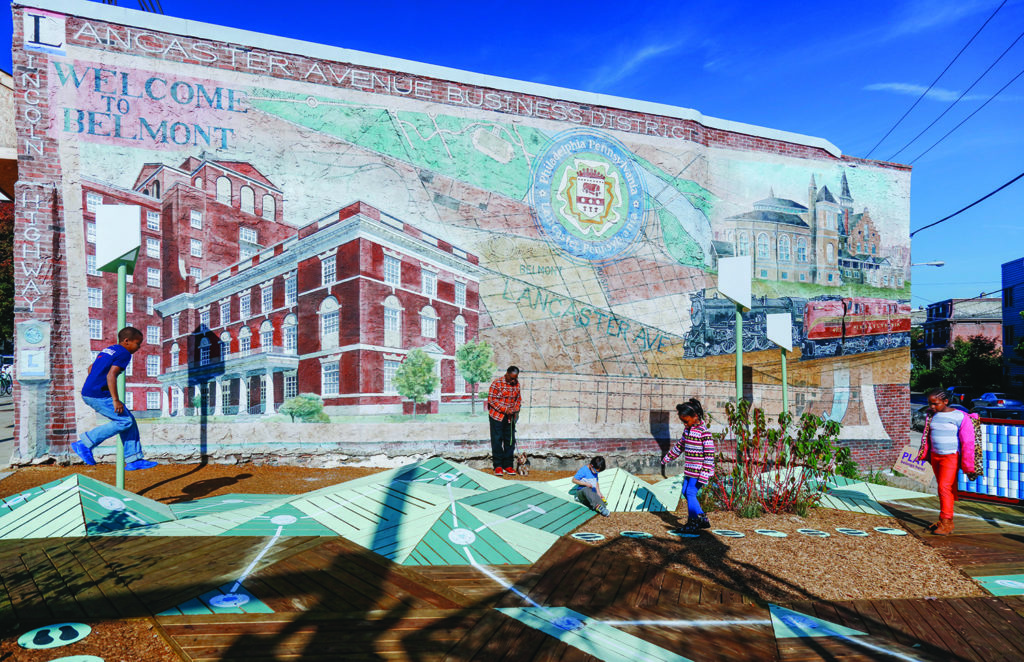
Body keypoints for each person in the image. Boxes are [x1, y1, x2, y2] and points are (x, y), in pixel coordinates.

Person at [72, 327, 157, 471]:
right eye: (138, 343)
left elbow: (91, 368)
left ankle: (134, 459)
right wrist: (115, 400)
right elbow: (111, 375)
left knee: (129, 420)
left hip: (90, 392)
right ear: (127, 341)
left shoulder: (109, 350)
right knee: (124, 421)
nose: (139, 347)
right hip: (99, 395)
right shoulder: (124, 353)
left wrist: (93, 382)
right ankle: (85, 443)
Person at [915, 387, 979, 535]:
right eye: (930, 403)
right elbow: (927, 436)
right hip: (935, 456)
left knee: (945, 487)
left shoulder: (959, 416)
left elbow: (968, 441)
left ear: (945, 401)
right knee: (942, 488)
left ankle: (946, 521)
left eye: (935, 403)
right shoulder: (931, 415)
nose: (932, 406)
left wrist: (969, 464)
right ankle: (945, 520)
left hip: (950, 456)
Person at [661, 398, 715, 534]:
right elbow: (680, 446)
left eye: (686, 421)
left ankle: (692, 522)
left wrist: (704, 474)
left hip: (699, 471)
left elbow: (709, 455)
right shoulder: (687, 431)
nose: (684, 424)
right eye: (682, 422)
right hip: (690, 470)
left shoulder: (704, 433)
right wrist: (667, 458)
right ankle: (702, 518)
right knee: (686, 492)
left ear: (695, 416)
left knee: (691, 492)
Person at [487, 366, 521, 476]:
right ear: (506, 374)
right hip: (497, 416)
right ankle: (498, 466)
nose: (513, 380)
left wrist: (515, 409)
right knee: (497, 440)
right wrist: (505, 409)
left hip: (510, 417)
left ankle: (508, 465)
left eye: (515, 378)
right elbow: (492, 400)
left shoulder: (516, 384)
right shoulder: (497, 383)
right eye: (511, 378)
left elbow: (518, 399)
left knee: (509, 441)